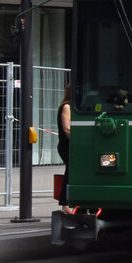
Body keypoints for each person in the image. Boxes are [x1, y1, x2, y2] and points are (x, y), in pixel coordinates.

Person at [57, 84, 74, 215]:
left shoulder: (73, 107)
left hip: (72, 145)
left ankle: (70, 202)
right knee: (70, 171)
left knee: (72, 171)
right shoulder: (67, 107)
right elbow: (66, 128)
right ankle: (65, 204)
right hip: (67, 145)